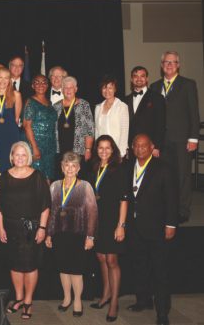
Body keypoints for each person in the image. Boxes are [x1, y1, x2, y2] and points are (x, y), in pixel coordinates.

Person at [125, 134, 178, 325]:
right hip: (135, 227)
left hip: (157, 228)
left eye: (144, 146)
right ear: (132, 148)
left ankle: (162, 312)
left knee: (160, 271)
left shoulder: (163, 168)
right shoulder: (128, 166)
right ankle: (143, 301)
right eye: (136, 146)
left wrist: (171, 224)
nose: (140, 149)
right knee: (140, 266)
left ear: (152, 147)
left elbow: (172, 199)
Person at [0, 142, 50, 320]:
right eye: (16, 155)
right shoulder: (5, 176)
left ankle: (28, 301)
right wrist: (0, 227)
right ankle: (18, 298)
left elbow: (45, 205)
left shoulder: (37, 176)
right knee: (15, 265)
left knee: (29, 266)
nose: (19, 158)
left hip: (31, 229)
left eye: (23, 154)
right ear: (11, 157)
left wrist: (42, 228)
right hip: (10, 227)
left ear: (28, 157)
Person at [45, 152, 98, 317]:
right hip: (60, 235)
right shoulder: (54, 186)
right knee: (63, 269)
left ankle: (77, 300)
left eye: (73, 165)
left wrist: (90, 236)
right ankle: (67, 298)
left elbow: (93, 212)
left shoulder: (85, 186)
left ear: (78, 168)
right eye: (66, 165)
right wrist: (48, 234)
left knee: (76, 270)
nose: (69, 168)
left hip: (78, 234)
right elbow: (51, 212)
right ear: (62, 167)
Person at [149, 51, 199, 223]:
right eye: (166, 62)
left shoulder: (188, 84)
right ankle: (167, 208)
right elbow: (153, 116)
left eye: (173, 62)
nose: (169, 65)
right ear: (162, 65)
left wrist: (193, 138)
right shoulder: (154, 87)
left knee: (183, 176)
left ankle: (183, 211)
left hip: (181, 139)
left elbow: (194, 112)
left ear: (178, 65)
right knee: (164, 175)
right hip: (162, 141)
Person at [87, 135, 128, 322]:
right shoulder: (93, 167)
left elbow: (124, 200)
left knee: (112, 259)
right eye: (100, 147)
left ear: (113, 150)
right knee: (100, 256)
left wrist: (121, 226)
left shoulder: (119, 169)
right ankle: (105, 295)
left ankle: (114, 303)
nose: (104, 151)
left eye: (108, 148)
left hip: (113, 220)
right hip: (97, 219)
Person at [125, 66, 165, 158]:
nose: (139, 79)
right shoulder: (125, 100)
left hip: (149, 147)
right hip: (131, 148)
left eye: (142, 76)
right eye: (135, 76)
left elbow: (161, 124)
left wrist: (157, 146)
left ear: (147, 79)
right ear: (131, 79)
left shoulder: (157, 98)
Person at [53, 76, 94, 167]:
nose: (68, 90)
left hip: (78, 150)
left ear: (75, 89)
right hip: (60, 151)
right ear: (62, 90)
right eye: (65, 88)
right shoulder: (56, 107)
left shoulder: (84, 105)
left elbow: (90, 129)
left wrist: (88, 149)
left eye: (71, 87)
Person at [24, 75, 57, 180]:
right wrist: (34, 147)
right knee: (36, 177)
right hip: (37, 144)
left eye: (43, 82)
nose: (40, 85)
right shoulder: (30, 102)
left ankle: (47, 197)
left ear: (47, 85)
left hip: (50, 145)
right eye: (37, 82)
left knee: (48, 176)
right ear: (33, 86)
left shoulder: (49, 103)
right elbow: (27, 126)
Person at [94, 76, 129, 154]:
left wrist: (121, 153)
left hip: (116, 151)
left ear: (115, 89)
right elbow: (97, 131)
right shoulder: (98, 107)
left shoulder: (122, 106)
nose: (107, 91)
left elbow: (124, 132)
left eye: (110, 88)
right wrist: (97, 150)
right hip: (102, 152)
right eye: (104, 88)